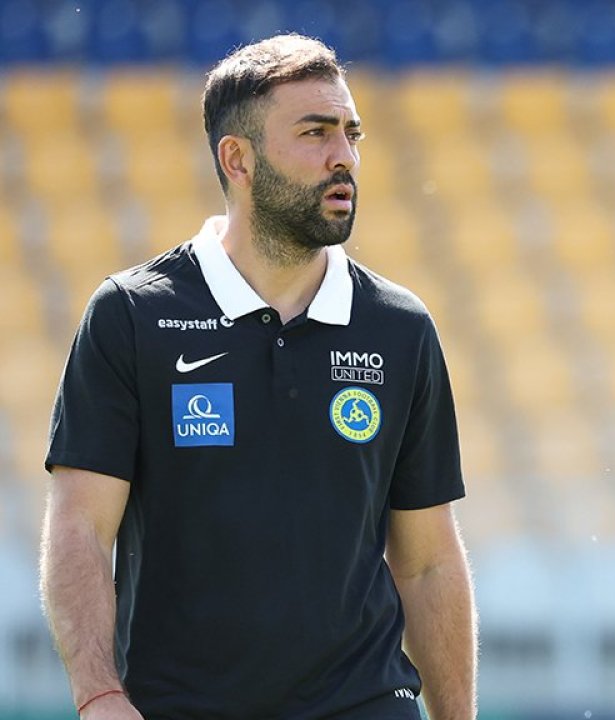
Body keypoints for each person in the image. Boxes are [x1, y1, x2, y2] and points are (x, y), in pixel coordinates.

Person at [40, 35, 476, 719]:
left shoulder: (399, 327)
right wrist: (98, 695)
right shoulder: (132, 315)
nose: (344, 158)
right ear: (236, 158)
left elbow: (427, 562)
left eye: (350, 134)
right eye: (315, 133)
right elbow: (80, 531)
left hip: (364, 703)